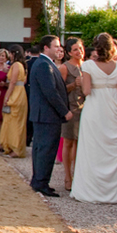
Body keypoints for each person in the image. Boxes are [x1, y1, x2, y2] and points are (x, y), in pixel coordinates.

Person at [71, 33, 117, 204]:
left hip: (95, 108)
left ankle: (90, 190)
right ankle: (114, 191)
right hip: (113, 107)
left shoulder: (89, 65)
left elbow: (86, 91)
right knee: (113, 150)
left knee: (91, 149)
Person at [29, 35, 74, 197]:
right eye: (56, 46)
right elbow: (51, 92)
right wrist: (65, 111)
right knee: (46, 150)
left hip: (45, 115)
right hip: (47, 115)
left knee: (42, 149)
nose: (59, 49)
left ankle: (39, 181)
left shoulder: (46, 64)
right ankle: (41, 182)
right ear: (46, 48)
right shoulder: (43, 65)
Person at [59, 38, 85, 189]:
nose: (79, 52)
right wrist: (73, 84)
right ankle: (68, 176)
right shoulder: (65, 67)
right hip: (71, 107)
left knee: (80, 143)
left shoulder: (87, 67)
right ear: (69, 52)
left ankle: (78, 174)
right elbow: (60, 90)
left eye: (80, 49)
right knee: (69, 141)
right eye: (75, 49)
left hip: (85, 108)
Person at [0, 45, 28, 158]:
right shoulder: (23, 65)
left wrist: (7, 97)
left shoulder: (16, 65)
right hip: (21, 92)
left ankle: (15, 147)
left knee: (13, 122)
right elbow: (24, 81)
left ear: (13, 53)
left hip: (15, 93)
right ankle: (14, 146)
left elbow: (12, 82)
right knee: (17, 121)